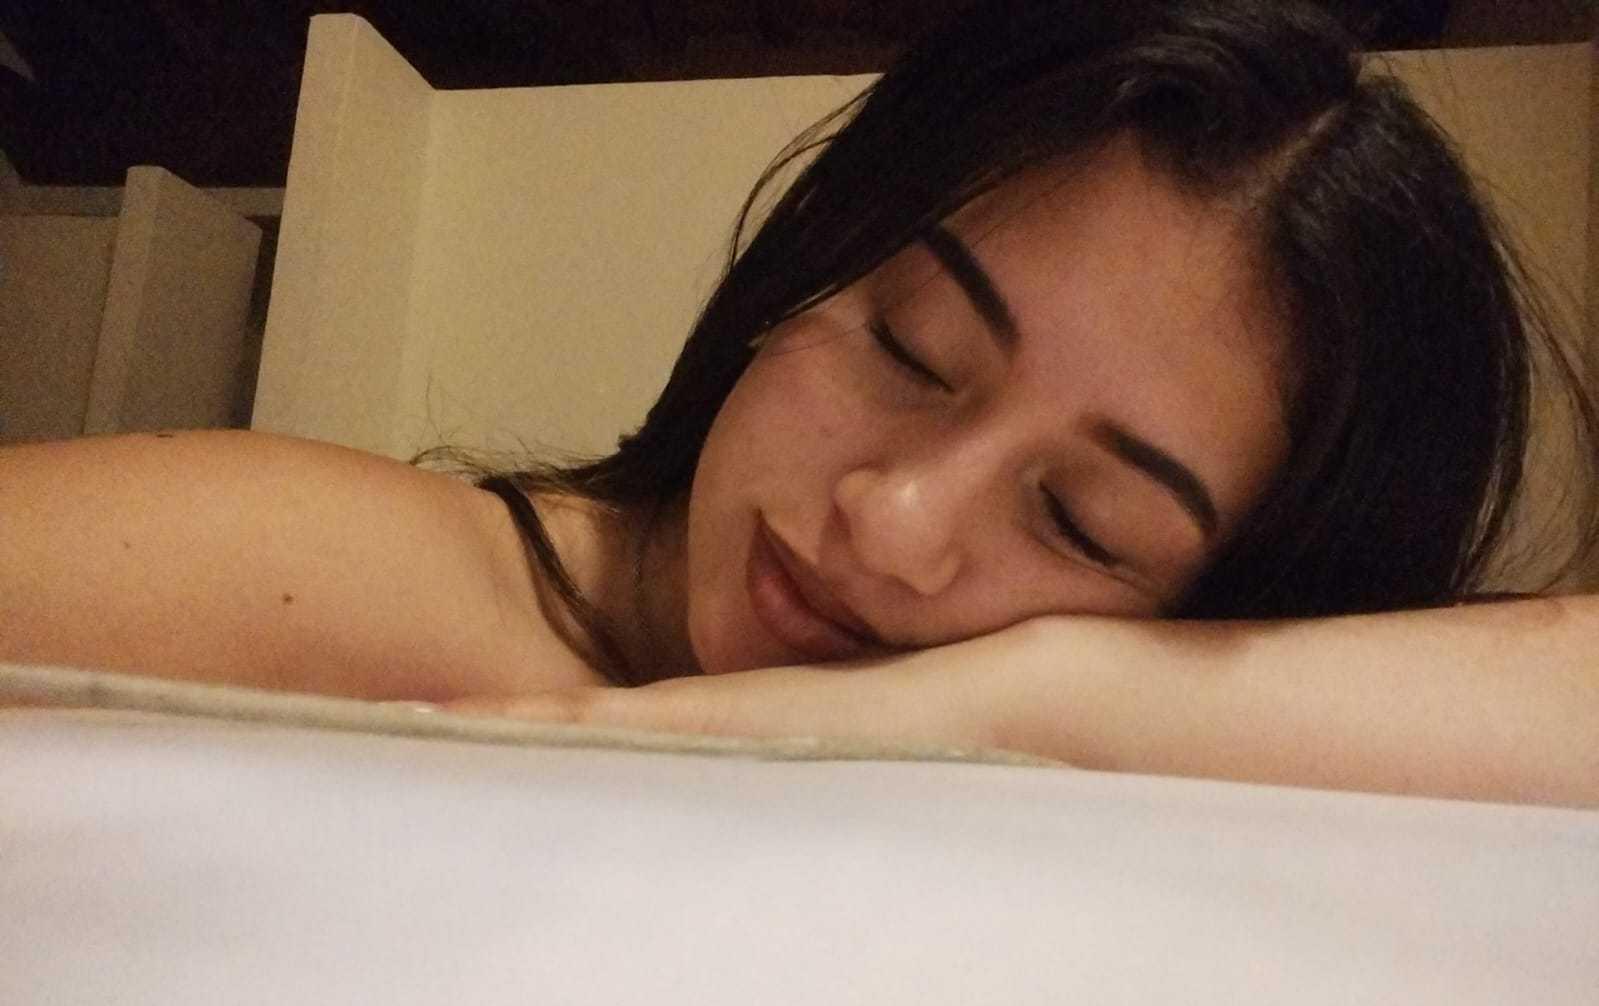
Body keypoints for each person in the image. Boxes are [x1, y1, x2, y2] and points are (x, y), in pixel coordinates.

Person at [3, 0, 1596, 805]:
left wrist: (1036, 697)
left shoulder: (1103, 751)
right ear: (813, 264)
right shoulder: (322, 568)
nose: (892, 527)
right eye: (909, 349)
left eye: (1080, 520)